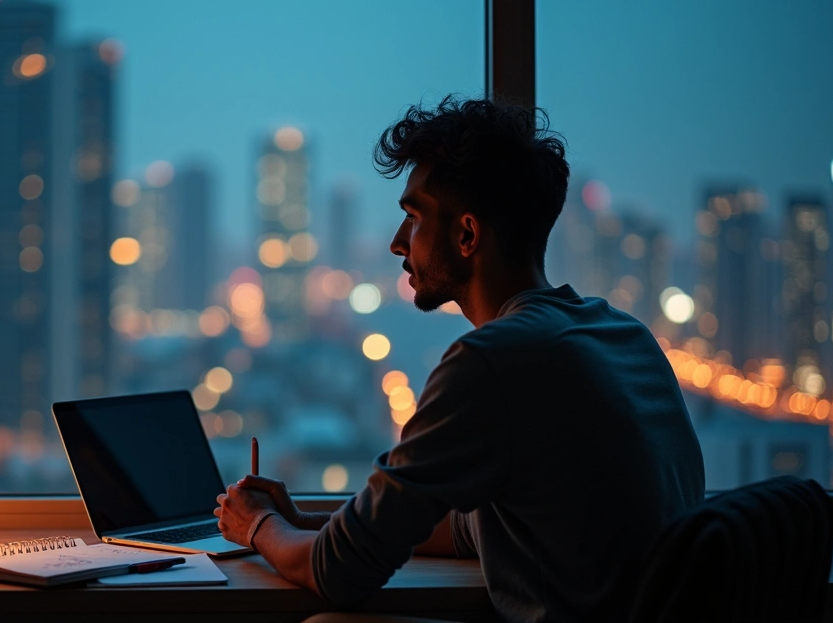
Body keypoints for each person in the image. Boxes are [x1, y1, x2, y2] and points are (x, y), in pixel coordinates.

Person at [214, 96, 706, 622]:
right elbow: (467, 527)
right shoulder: (623, 334)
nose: (397, 242)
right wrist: (304, 520)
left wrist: (257, 527)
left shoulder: (492, 360)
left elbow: (338, 574)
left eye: (414, 217)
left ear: (467, 235)